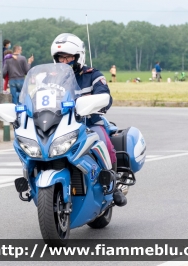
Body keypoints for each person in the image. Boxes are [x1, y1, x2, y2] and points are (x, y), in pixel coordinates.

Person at [50, 33, 127, 207]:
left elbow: (105, 96)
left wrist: (98, 102)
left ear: (78, 56)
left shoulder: (93, 75)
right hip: (61, 125)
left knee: (104, 142)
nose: (64, 61)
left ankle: (113, 186)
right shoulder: (52, 79)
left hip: (90, 123)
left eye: (68, 57)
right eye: (60, 58)